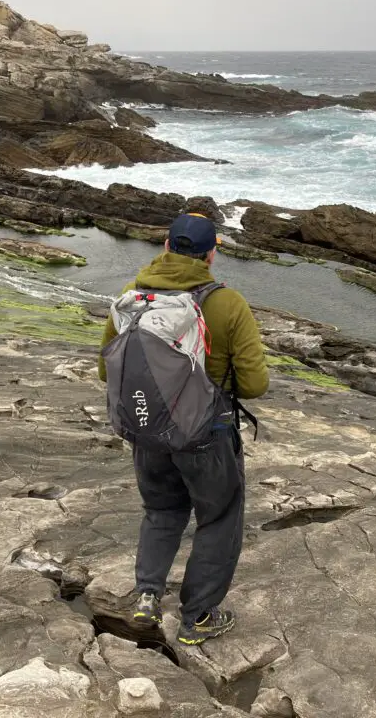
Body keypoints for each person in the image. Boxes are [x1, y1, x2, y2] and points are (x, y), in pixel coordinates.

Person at [98, 212, 269, 645]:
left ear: (167, 246)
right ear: (212, 254)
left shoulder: (131, 296)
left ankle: (147, 597)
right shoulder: (227, 303)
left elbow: (107, 369)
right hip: (205, 434)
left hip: (148, 429)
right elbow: (255, 384)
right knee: (218, 517)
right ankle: (198, 617)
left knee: (161, 511)